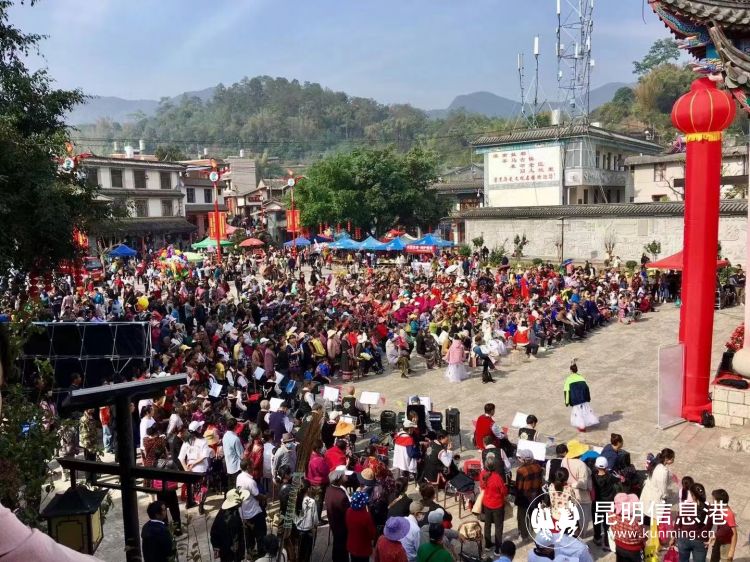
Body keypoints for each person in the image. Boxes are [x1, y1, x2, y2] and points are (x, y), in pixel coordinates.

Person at [670, 482, 710, 562]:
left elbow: (678, 523)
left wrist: (673, 537)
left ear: (692, 495)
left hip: (684, 538)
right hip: (701, 540)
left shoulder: (685, 507)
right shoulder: (709, 508)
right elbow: (710, 524)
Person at [178, 420, 211, 513]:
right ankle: (201, 505)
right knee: (203, 487)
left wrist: (186, 468)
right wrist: (194, 463)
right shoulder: (203, 441)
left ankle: (192, 502)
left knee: (194, 487)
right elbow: (204, 456)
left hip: (191, 469)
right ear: (198, 430)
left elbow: (181, 457)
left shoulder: (186, 442)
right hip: (201, 468)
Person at [561, 439, 593, 537]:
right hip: (581, 496)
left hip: (568, 492)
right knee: (583, 517)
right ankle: (581, 535)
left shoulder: (564, 460)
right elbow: (583, 484)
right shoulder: (581, 464)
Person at [236, 459, 267, 558]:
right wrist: (265, 497)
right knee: (261, 534)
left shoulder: (239, 477)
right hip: (254, 512)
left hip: (244, 513)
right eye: (252, 465)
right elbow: (257, 496)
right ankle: (261, 554)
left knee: (249, 536)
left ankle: (250, 553)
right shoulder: (250, 481)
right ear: (248, 467)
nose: (253, 467)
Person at [210, 488, 248, 562]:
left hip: (230, 549)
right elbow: (215, 531)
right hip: (229, 551)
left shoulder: (232, 510)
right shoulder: (230, 516)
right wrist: (217, 547)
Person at [640, 447, 676, 526]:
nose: (673, 460)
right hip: (655, 494)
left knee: (648, 509)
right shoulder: (663, 471)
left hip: (648, 490)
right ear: (666, 459)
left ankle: (646, 520)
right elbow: (662, 487)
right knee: (654, 513)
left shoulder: (655, 463)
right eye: (672, 459)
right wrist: (665, 496)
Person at [480, 456, 509, 554]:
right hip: (497, 505)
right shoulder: (497, 478)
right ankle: (497, 549)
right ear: (495, 466)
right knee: (498, 527)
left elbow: (482, 486)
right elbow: (504, 492)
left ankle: (487, 545)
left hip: (486, 503)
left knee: (487, 525)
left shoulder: (483, 474)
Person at [514, 449, 543, 541]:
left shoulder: (521, 471)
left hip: (524, 497)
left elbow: (519, 487)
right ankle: (536, 534)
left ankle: (524, 535)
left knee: (522, 517)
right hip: (536, 495)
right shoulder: (538, 467)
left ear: (523, 459)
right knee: (534, 515)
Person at [324, 466, 351, 562]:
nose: (345, 477)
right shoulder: (341, 496)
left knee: (337, 544)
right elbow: (348, 512)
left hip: (333, 523)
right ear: (339, 479)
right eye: (343, 475)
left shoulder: (329, 489)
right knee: (341, 547)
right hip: (341, 526)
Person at [563, 360, 598, 432]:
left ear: (570, 370)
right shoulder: (581, 377)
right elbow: (586, 388)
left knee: (578, 414)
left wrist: (566, 402)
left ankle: (582, 427)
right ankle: (585, 424)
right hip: (583, 398)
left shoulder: (568, 379)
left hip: (575, 399)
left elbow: (566, 391)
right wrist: (588, 398)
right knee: (584, 412)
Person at [610, 493, 647, 562]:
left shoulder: (611, 515)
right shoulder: (634, 522)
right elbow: (642, 536)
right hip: (634, 550)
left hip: (619, 546)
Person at [592, 455, 617, 550]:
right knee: (607, 524)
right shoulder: (610, 476)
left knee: (597, 521)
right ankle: (607, 542)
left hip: (596, 502)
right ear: (606, 466)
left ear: (596, 466)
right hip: (608, 503)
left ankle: (597, 538)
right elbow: (619, 479)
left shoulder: (593, 477)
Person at [346, 490, 377, 562]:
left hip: (352, 545)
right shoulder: (366, 516)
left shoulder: (348, 511)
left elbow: (347, 526)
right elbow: (372, 533)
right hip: (363, 548)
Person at [708, 489, 737, 562]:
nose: (713, 502)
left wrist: (731, 551)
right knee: (714, 559)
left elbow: (734, 534)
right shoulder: (719, 508)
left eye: (714, 500)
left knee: (725, 559)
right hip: (718, 539)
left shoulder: (728, 514)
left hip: (726, 544)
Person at [294, 481, 320, 562]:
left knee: (299, 553)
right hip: (308, 531)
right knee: (307, 554)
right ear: (308, 489)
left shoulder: (296, 500)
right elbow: (315, 519)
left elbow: (294, 517)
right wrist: (315, 526)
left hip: (298, 530)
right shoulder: (311, 501)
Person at [223, 417, 244, 490]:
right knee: (237, 488)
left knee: (231, 488)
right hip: (236, 467)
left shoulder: (225, 436)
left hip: (229, 465)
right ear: (235, 426)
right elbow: (241, 455)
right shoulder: (235, 439)